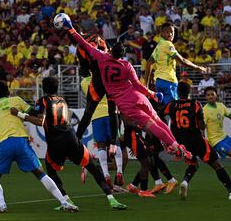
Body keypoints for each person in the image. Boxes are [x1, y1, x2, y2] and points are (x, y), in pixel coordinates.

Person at [58, 14, 191, 159]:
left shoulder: (102, 59)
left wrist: (70, 28)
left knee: (150, 125)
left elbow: (82, 44)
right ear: (122, 55)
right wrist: (151, 94)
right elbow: (138, 85)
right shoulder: (127, 65)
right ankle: (175, 144)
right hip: (137, 96)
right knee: (157, 120)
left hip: (124, 102)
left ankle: (176, 147)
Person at [12, 77, 127, 210]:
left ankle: (66, 200)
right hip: (71, 138)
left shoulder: (42, 100)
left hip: (56, 142)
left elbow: (40, 121)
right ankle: (111, 199)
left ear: (44, 88)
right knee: (93, 168)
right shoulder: (62, 100)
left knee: (50, 170)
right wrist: (28, 110)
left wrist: (19, 114)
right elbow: (40, 112)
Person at [0, 81, 78, 213]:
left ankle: (2, 204)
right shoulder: (16, 100)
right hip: (21, 142)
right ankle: (64, 202)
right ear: (8, 91)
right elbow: (35, 113)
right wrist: (22, 113)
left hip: (5, 143)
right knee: (40, 174)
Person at [160, 82, 231, 200]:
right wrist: (202, 125)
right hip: (197, 140)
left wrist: (166, 130)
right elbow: (201, 125)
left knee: (193, 164)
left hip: (182, 143)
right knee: (217, 165)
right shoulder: (195, 104)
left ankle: (185, 182)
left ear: (178, 92)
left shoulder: (171, 105)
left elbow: (159, 115)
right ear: (189, 92)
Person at [75, 33, 119, 157]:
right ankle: (114, 143)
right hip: (110, 78)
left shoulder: (80, 50)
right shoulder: (99, 39)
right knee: (113, 111)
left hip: (98, 84)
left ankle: (76, 140)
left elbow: (85, 69)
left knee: (88, 112)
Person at [144, 22, 206, 104]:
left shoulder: (158, 46)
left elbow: (149, 64)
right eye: (167, 32)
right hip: (168, 81)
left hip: (159, 83)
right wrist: (197, 68)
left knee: (164, 109)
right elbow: (182, 60)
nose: (170, 34)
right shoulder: (168, 44)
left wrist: (146, 84)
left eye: (172, 32)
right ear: (161, 33)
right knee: (174, 108)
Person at [80, 75, 124, 188]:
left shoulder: (85, 82)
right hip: (111, 113)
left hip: (96, 115)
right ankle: (119, 171)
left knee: (101, 146)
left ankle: (106, 175)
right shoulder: (108, 78)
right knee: (116, 142)